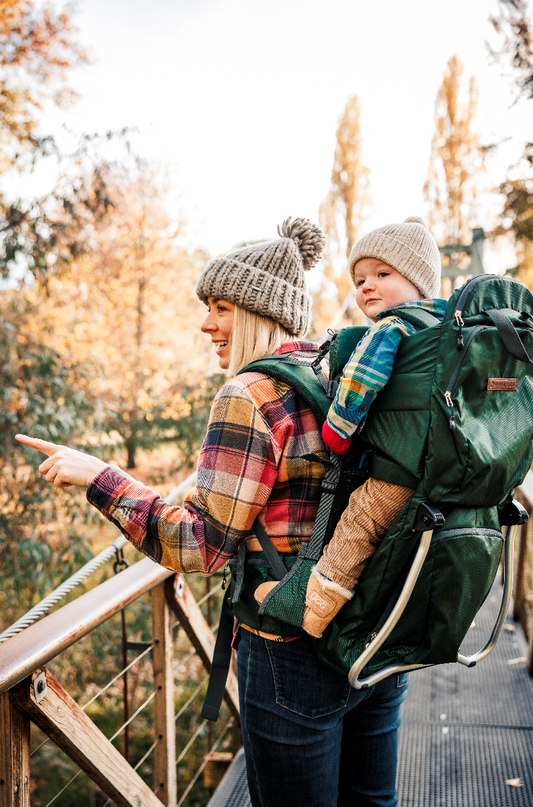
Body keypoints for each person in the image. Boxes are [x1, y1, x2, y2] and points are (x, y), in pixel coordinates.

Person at [16, 217, 411, 807]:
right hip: (377, 632)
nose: (206, 323)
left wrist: (99, 478)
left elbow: (201, 547)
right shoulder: (343, 370)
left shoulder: (249, 396)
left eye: (222, 307)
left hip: (290, 646)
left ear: (259, 312)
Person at [255, 217, 446, 641]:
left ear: (418, 282)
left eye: (383, 274)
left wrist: (336, 433)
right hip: (444, 473)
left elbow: (360, 385)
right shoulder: (448, 331)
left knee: (358, 523)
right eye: (360, 279)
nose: (366, 287)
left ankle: (311, 609)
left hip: (400, 471)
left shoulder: (391, 328)